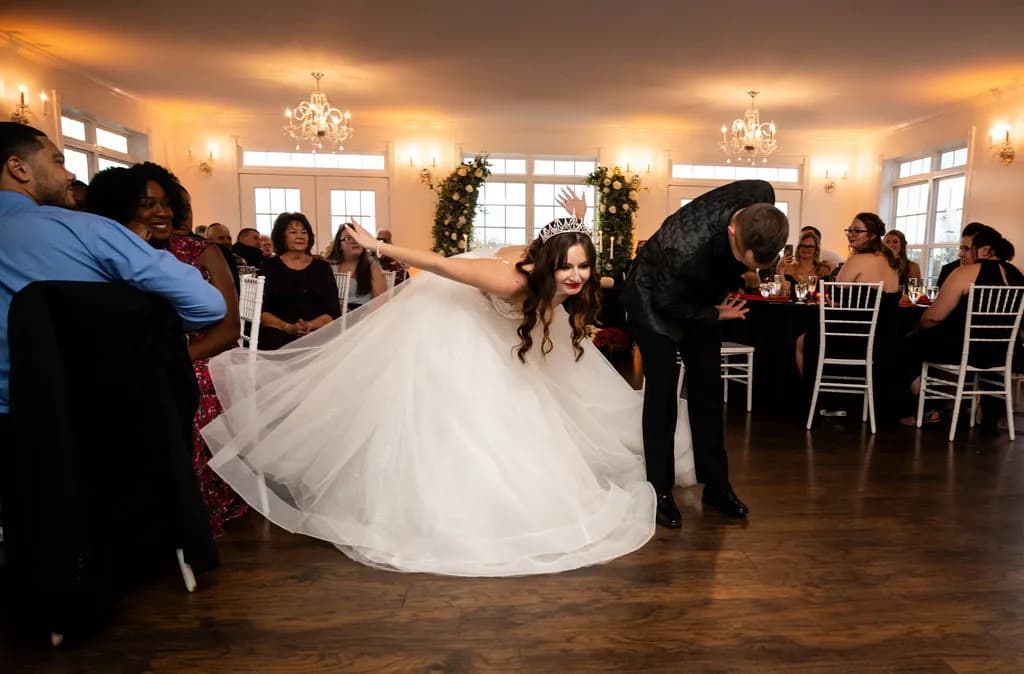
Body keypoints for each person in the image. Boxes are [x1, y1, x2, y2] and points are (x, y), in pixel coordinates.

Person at [199, 190, 686, 576]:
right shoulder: (509, 279)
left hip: (505, 330)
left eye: (583, 265)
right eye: (567, 266)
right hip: (456, 321)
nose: (577, 275)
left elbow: (591, 274)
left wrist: (581, 223)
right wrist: (377, 246)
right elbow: (439, 265)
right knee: (475, 414)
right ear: (546, 264)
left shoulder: (574, 276)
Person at [0, 122, 226, 441]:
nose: (70, 176)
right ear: (18, 167)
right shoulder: (87, 231)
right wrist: (154, 325)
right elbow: (207, 305)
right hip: (90, 414)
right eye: (58, 161)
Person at [86, 161, 247, 535]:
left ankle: (192, 505)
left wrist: (177, 359)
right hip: (129, 358)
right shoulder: (109, 252)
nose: (161, 212)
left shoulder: (201, 250)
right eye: (147, 204)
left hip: (201, 355)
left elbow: (228, 328)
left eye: (165, 203)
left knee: (188, 383)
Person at [622, 180, 788, 528]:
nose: (754, 271)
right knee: (663, 392)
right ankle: (659, 492)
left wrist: (724, 296)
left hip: (701, 293)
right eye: (749, 263)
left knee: (708, 393)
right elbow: (667, 303)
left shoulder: (762, 196)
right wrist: (715, 314)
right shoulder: (681, 248)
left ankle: (716, 486)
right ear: (732, 231)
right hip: (654, 296)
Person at [900, 228, 1024, 432]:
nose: (960, 254)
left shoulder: (965, 273)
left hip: (967, 352)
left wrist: (916, 326)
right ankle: (983, 413)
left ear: (985, 250)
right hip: (1004, 354)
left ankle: (929, 407)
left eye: (966, 248)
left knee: (904, 343)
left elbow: (933, 317)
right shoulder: (1018, 274)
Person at [257, 212, 341, 350]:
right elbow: (262, 311)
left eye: (304, 232)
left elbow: (333, 311)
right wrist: (289, 327)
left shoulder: (322, 267)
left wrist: (310, 325)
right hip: (278, 332)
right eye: (293, 232)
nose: (300, 236)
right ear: (281, 236)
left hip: (316, 333)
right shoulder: (269, 266)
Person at [327, 225, 387, 310]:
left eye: (357, 238)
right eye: (348, 238)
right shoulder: (330, 266)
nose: (354, 241)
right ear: (339, 245)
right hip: (335, 314)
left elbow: (381, 303)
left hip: (364, 315)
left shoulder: (373, 267)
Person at [936, 222, 990, 287]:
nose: (960, 254)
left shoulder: (992, 273)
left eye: (966, 249)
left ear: (982, 250)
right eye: (961, 248)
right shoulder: (948, 270)